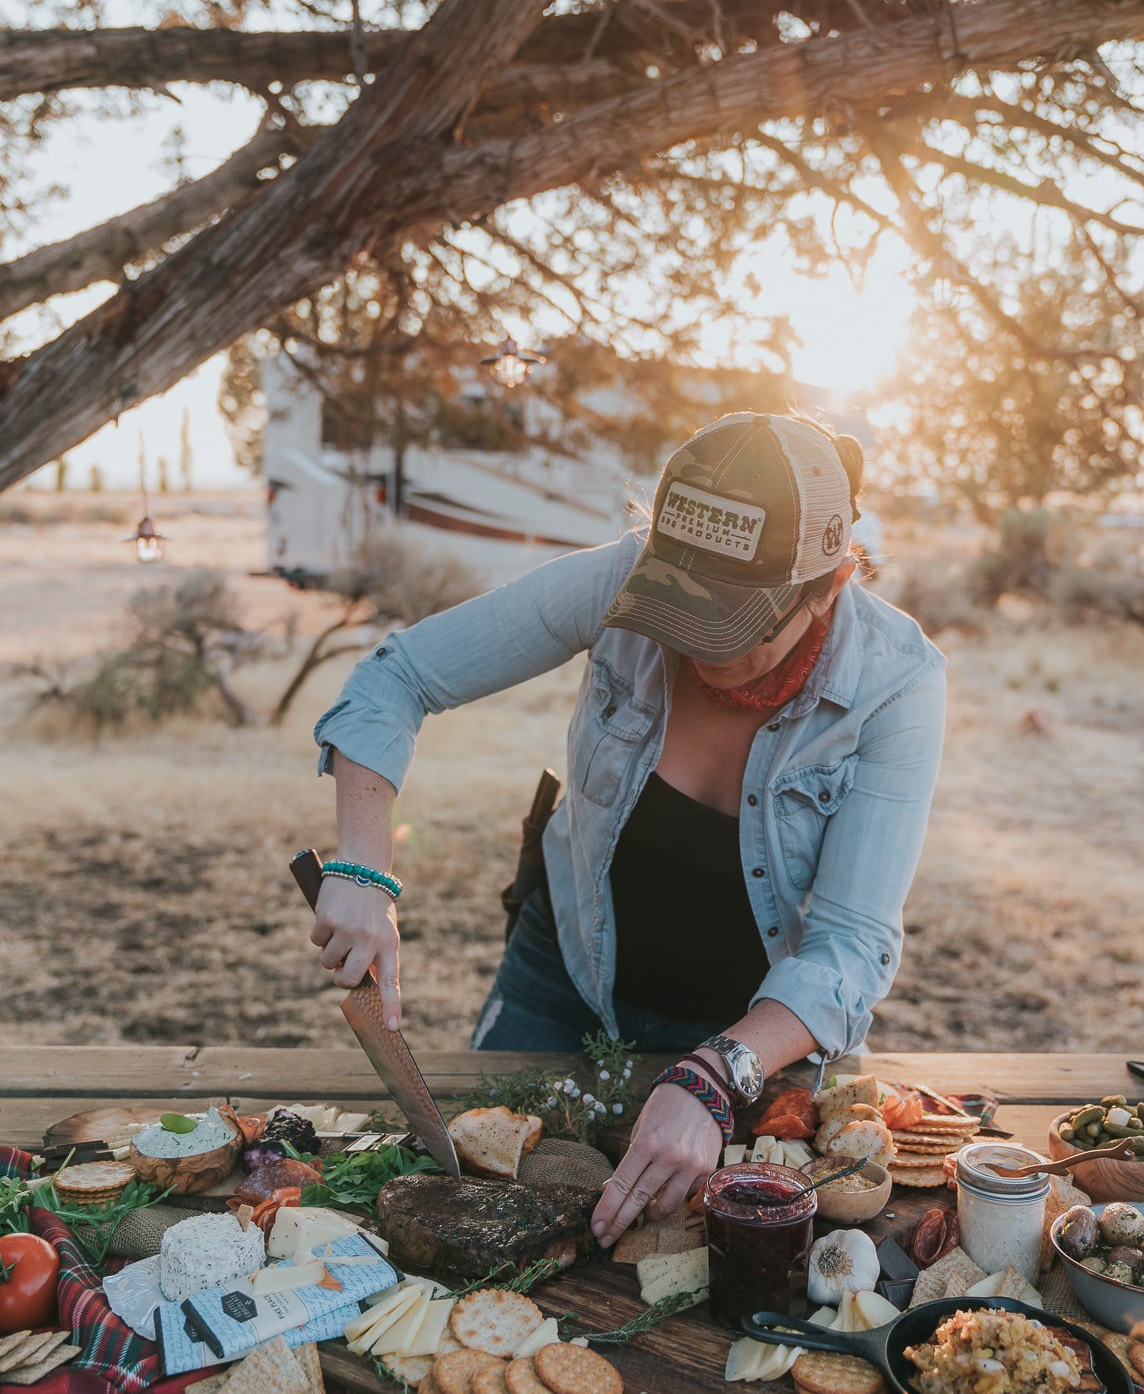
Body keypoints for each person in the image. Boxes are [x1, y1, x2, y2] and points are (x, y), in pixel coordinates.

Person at [309, 412, 946, 1248]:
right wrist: (363, 869)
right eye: (678, 603)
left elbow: (851, 948)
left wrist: (715, 1077)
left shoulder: (894, 684)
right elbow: (400, 677)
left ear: (830, 582)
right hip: (565, 971)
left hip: (754, 1030)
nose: (695, 646)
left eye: (734, 624)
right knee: (480, 1204)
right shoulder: (618, 578)